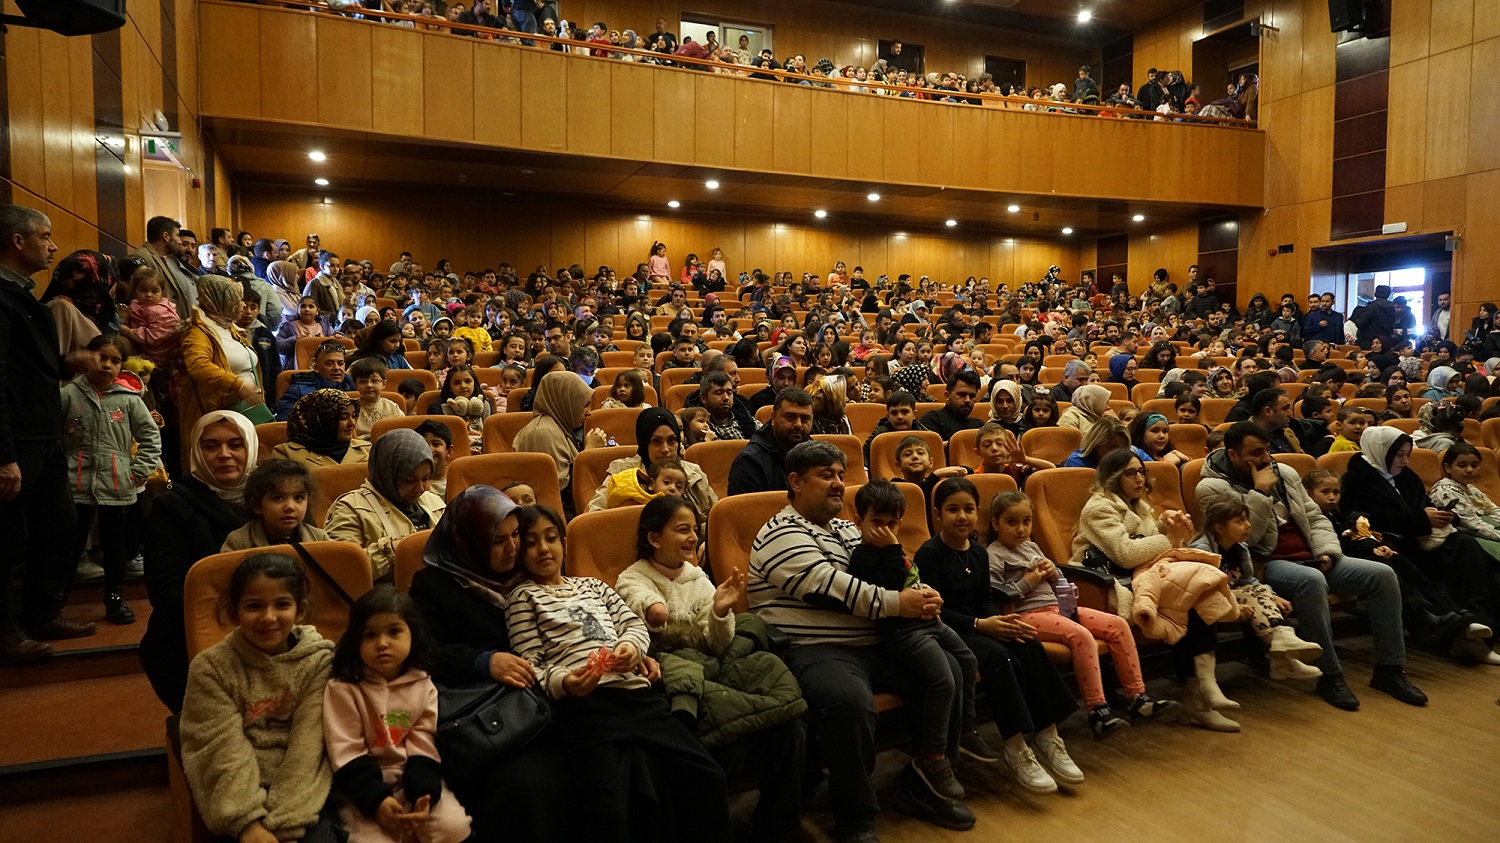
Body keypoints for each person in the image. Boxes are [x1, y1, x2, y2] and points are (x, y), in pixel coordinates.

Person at [747, 441, 973, 838]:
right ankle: (855, 817)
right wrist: (900, 603)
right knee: (849, 702)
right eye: (826, 475)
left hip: (876, 641)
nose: (838, 483)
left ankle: (925, 779)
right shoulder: (780, 532)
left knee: (946, 670)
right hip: (816, 650)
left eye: (840, 474)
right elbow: (830, 590)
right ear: (796, 482)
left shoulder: (848, 529)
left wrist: (921, 593)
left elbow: (890, 570)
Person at [507, 504, 731, 841]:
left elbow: (633, 626)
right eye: (531, 542)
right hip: (586, 707)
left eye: (551, 538)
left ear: (564, 544)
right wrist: (565, 682)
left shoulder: (593, 586)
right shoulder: (523, 598)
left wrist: (631, 648)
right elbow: (532, 663)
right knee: (607, 808)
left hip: (637, 696)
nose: (543, 549)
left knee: (707, 776)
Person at [614, 496, 807, 843]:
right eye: (682, 530)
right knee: (722, 739)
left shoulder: (697, 576)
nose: (692, 537)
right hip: (669, 673)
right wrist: (655, 610)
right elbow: (646, 616)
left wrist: (719, 612)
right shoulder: (632, 577)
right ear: (654, 538)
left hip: (711, 665)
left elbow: (718, 644)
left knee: (788, 727)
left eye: (695, 530)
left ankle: (778, 828)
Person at [1196, 422, 1426, 711]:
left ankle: (1390, 670)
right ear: (1232, 455)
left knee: (1382, 574)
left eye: (1267, 450)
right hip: (1265, 564)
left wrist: (1327, 551)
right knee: (1311, 581)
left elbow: (1316, 518)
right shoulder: (1210, 487)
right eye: (1255, 453)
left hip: (1313, 556)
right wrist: (1260, 493)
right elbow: (1242, 538)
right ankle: (1330, 674)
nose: (1266, 459)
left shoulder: (1286, 473)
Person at [407, 487, 569, 839]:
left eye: (516, 536)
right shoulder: (434, 585)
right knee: (530, 787)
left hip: (547, 695)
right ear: (470, 541)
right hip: (490, 716)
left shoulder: (528, 573)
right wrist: (483, 661)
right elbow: (422, 653)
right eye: (497, 540)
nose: (512, 548)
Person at [1071, 448, 1244, 730]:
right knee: (1190, 595)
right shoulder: (1099, 508)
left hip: (1144, 576)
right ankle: (1199, 694)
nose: (1139, 478)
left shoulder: (1139, 506)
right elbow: (1125, 553)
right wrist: (1169, 538)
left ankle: (1202, 690)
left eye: (1142, 472)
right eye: (1130, 473)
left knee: (1198, 590)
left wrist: (1166, 524)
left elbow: (1150, 544)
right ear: (1113, 477)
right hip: (1105, 584)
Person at [846, 480, 993, 802]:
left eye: (892, 524)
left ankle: (967, 727)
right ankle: (933, 754)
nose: (885, 530)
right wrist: (893, 549)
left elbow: (913, 581)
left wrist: (930, 594)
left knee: (967, 660)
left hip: (929, 621)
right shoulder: (865, 556)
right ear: (859, 522)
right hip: (901, 632)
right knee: (942, 680)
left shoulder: (895, 551)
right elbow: (888, 589)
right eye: (877, 523)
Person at [989, 490, 1176, 739]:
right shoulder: (993, 554)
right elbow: (996, 596)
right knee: (1081, 635)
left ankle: (1137, 698)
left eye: (1026, 522)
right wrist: (1029, 580)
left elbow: (1058, 581)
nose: (1021, 529)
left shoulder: (1031, 546)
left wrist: (1052, 572)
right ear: (995, 523)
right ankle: (1097, 710)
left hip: (1056, 607)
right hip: (1026, 614)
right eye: (1011, 523)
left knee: (1117, 625)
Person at [0, 206, 103, 659]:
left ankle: (43, 611)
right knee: (7, 539)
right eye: (44, 236)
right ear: (17, 241)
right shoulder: (2, 298)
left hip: (44, 435)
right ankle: (5, 630)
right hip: (16, 441)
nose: (54, 246)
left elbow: (30, 369)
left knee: (57, 526)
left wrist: (69, 364)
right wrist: (3, 454)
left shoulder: (25, 296)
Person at [179, 554, 339, 843]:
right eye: (253, 606)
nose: (268, 617)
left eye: (282, 604)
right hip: (239, 794)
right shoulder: (212, 668)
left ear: (300, 609)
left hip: (304, 793)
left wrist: (286, 822)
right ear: (234, 612)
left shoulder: (320, 661)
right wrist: (247, 822)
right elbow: (218, 748)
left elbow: (310, 744)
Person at [325, 586, 473, 842]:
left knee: (455, 827)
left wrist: (422, 797)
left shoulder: (422, 684)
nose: (382, 644)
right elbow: (346, 753)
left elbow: (423, 745)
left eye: (394, 632)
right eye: (369, 635)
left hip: (411, 779)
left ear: (412, 634)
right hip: (360, 789)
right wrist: (377, 802)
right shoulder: (342, 688)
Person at [1338, 428, 1500, 661]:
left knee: (1466, 544)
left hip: (1420, 538)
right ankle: (1461, 632)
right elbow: (1366, 519)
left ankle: (1481, 622)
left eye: (1407, 454)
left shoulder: (1407, 476)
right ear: (1380, 451)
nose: (1405, 460)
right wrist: (1422, 520)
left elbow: (1425, 505)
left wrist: (1445, 515)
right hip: (1388, 542)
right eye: (1399, 455)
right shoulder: (1356, 480)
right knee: (1411, 566)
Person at [140, 411, 258, 710]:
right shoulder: (172, 506)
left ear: (252, 448)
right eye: (211, 446)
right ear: (196, 451)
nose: (224, 454)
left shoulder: (278, 497)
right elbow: (168, 592)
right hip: (194, 638)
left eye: (235, 444)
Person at [63, 334, 163, 625]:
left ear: (123, 365)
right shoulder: (69, 394)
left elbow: (150, 437)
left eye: (115, 360)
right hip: (75, 481)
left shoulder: (130, 400)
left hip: (117, 483)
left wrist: (138, 471)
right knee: (72, 541)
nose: (106, 365)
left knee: (114, 543)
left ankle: (114, 598)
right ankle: (58, 599)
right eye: (100, 357)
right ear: (87, 358)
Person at [1189, 497, 1325, 679]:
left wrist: (1273, 596)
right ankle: (1286, 655)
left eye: (1247, 519)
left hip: (1237, 595)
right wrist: (1235, 607)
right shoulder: (1202, 550)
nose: (1248, 525)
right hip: (1209, 601)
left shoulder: (1240, 548)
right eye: (1240, 521)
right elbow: (1205, 590)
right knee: (1259, 593)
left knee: (1264, 593)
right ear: (1219, 527)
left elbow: (1248, 580)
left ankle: (1282, 657)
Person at [325, 428, 445, 582]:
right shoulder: (350, 508)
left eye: (426, 479)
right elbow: (342, 572)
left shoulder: (433, 501)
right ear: (388, 474)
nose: (421, 488)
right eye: (410, 480)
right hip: (387, 599)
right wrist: (393, 550)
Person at [179, 275, 268, 466]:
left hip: (244, 411)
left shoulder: (231, 328)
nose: (243, 306)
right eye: (238, 300)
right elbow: (198, 366)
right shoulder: (197, 332)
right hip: (218, 415)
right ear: (220, 301)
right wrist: (239, 386)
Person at [586, 408, 717, 534]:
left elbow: (716, 518)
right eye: (656, 441)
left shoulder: (694, 472)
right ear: (644, 444)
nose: (665, 449)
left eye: (671, 441)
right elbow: (593, 515)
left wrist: (706, 542)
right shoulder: (623, 472)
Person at [514, 370, 608, 502]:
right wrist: (590, 451)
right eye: (584, 405)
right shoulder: (543, 433)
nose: (589, 412)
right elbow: (559, 492)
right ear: (566, 402)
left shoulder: (560, 427)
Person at [223, 459, 330, 551]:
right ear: (257, 505)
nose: (290, 507)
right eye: (278, 498)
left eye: (298, 498)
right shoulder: (238, 542)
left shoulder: (319, 538)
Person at [728, 388, 814, 495]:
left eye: (805, 419)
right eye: (790, 417)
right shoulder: (749, 462)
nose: (798, 424)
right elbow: (748, 511)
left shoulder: (816, 457)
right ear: (773, 418)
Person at [273, 389, 373, 467]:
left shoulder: (368, 449)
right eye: (343, 417)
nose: (352, 423)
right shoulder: (286, 453)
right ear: (321, 420)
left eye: (353, 416)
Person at [277, 339, 356, 420]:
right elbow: (285, 422)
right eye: (329, 364)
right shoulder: (298, 390)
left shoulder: (355, 384)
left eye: (340, 363)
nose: (336, 368)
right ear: (316, 367)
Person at [918, 369, 982, 441]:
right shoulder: (933, 419)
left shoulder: (978, 425)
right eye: (962, 395)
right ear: (947, 396)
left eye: (972, 396)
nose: (967, 400)